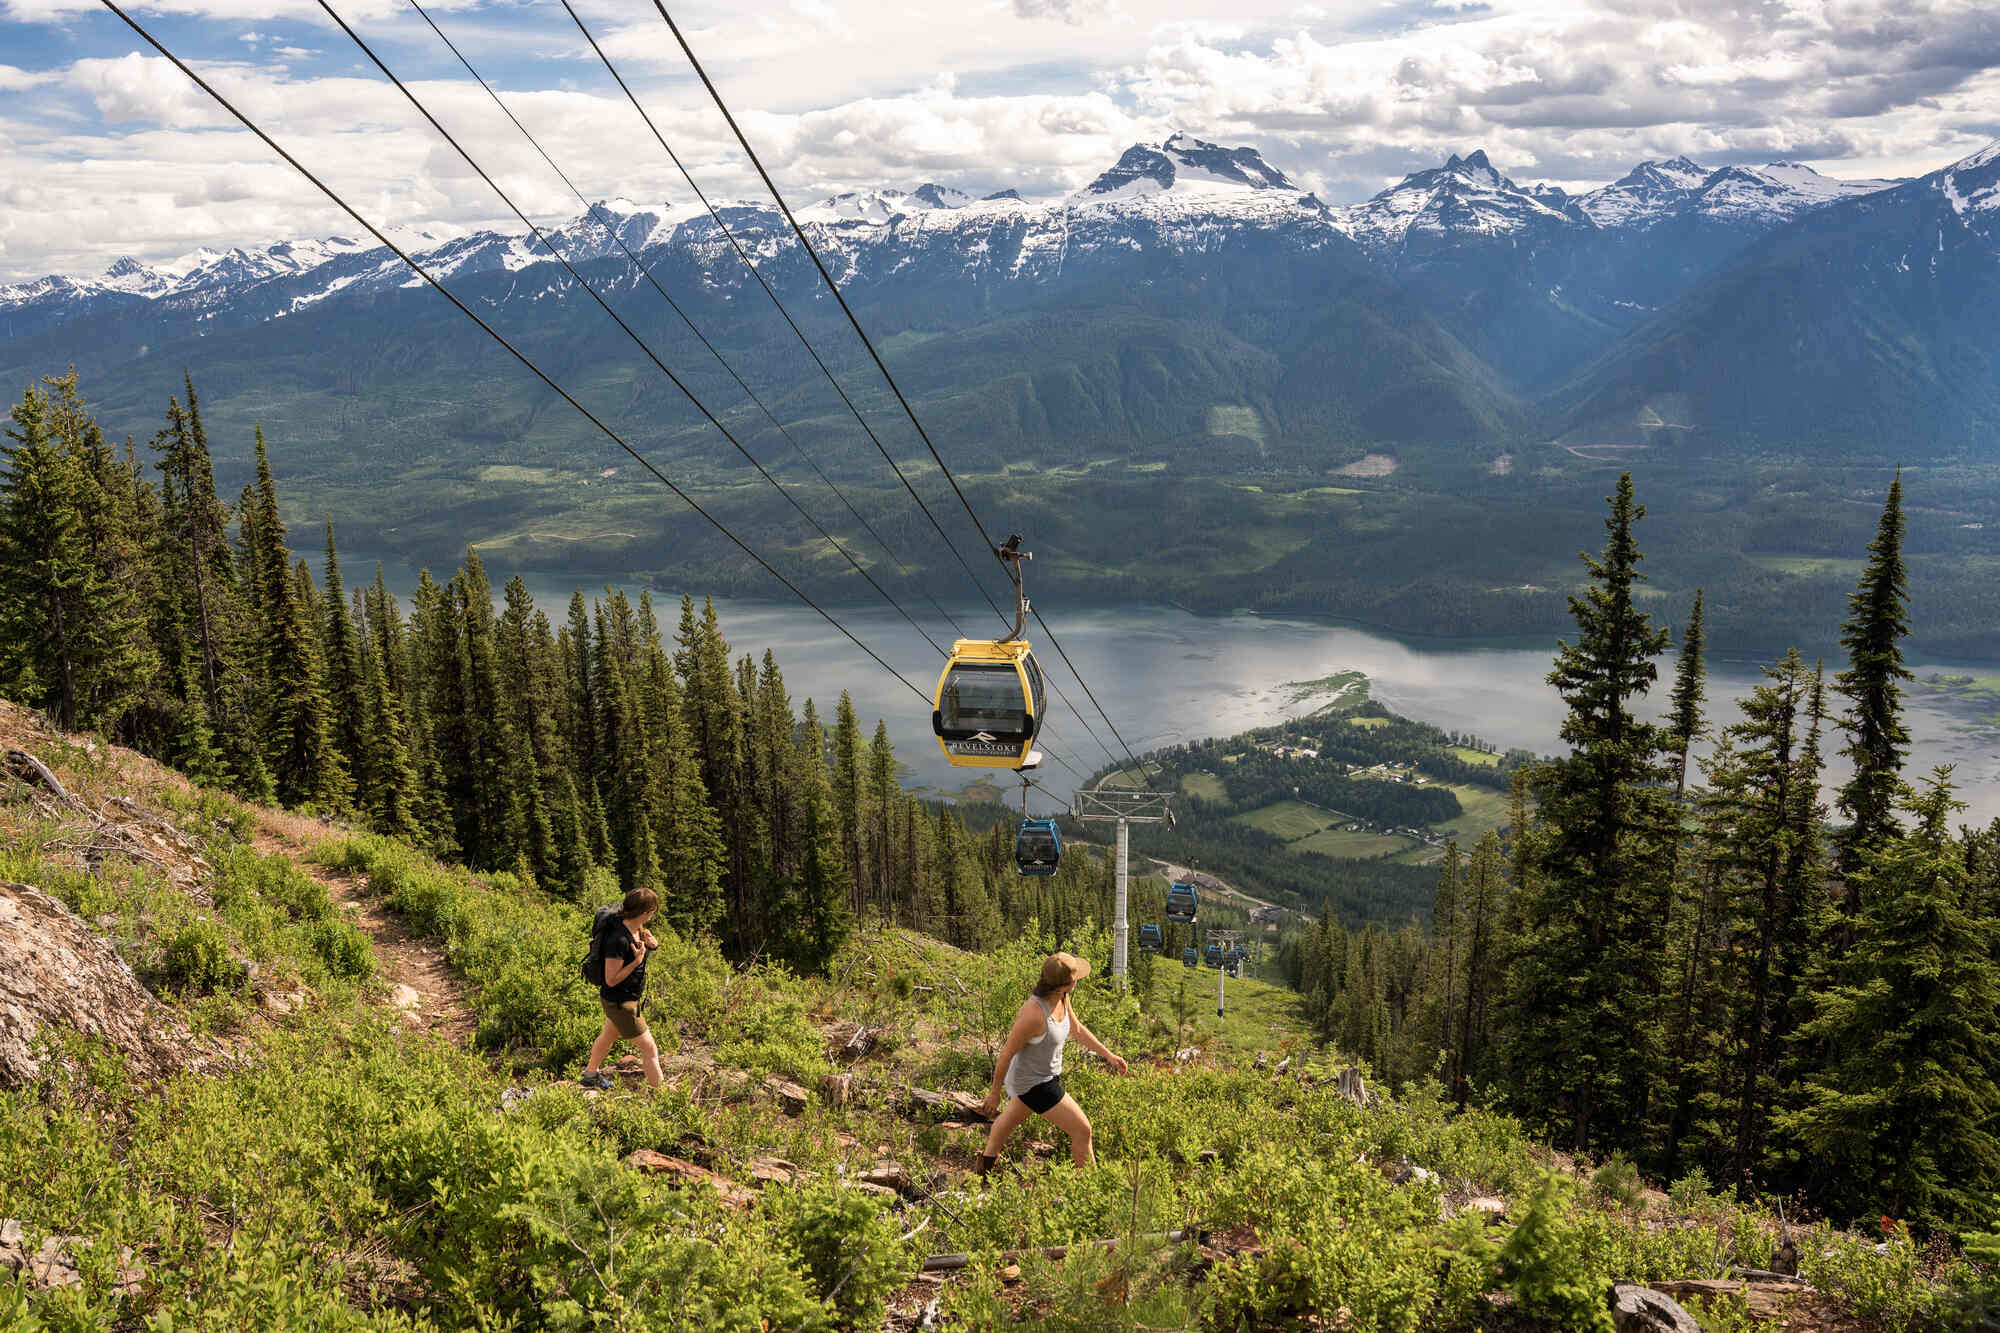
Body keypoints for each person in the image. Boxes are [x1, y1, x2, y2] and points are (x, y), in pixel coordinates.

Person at [977, 952, 1128, 1173]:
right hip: (1034, 1083)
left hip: (1042, 1075)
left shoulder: (1062, 997)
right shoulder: (1033, 1014)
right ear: (1064, 984)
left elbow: (1077, 1030)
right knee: (1082, 1130)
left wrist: (1109, 1055)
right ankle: (1091, 1188)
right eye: (1075, 977)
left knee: (1009, 1120)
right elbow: (1006, 1054)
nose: (1077, 979)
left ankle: (984, 1169)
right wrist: (994, 1092)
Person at [580, 888, 663, 1089]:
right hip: (620, 1002)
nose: (652, 916)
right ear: (646, 911)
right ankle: (663, 1096)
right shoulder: (618, 940)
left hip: (624, 999)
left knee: (609, 1035)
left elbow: (647, 938)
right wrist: (636, 962)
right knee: (650, 1049)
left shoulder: (635, 926)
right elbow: (610, 979)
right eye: (652, 911)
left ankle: (590, 1075)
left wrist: (652, 944)